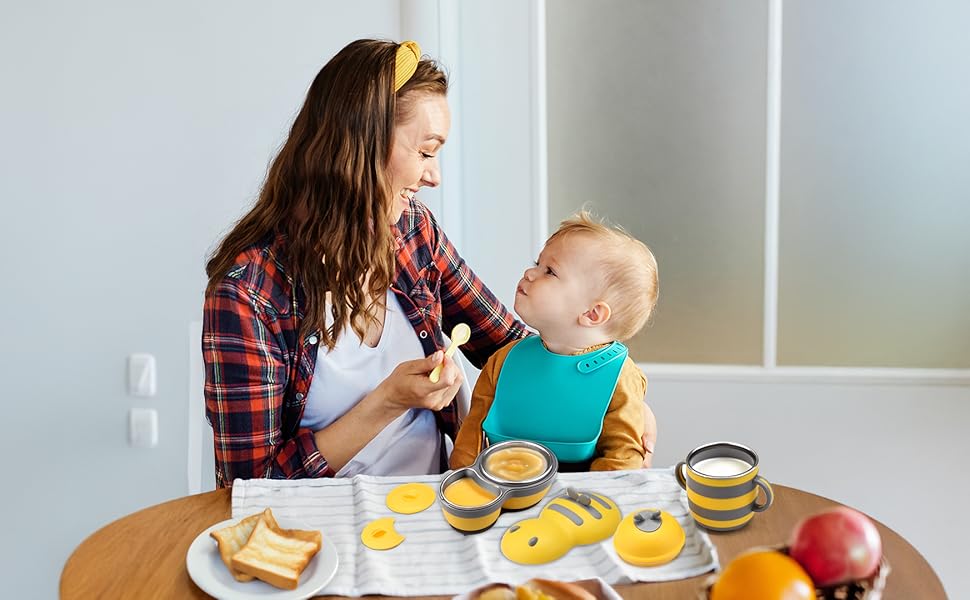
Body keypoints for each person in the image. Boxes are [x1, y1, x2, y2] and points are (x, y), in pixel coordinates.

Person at [203, 39, 656, 489]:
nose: (434, 175)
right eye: (425, 151)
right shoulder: (248, 293)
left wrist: (615, 395)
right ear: (358, 145)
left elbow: (514, 344)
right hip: (322, 529)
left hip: (438, 510)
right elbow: (250, 485)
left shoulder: (413, 232)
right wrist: (386, 402)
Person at [450, 211, 659, 471]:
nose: (529, 272)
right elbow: (472, 437)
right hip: (503, 488)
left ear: (592, 314)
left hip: (579, 501)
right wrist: (464, 482)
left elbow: (621, 461)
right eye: (537, 263)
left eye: (549, 271)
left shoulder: (619, 377)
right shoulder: (503, 361)